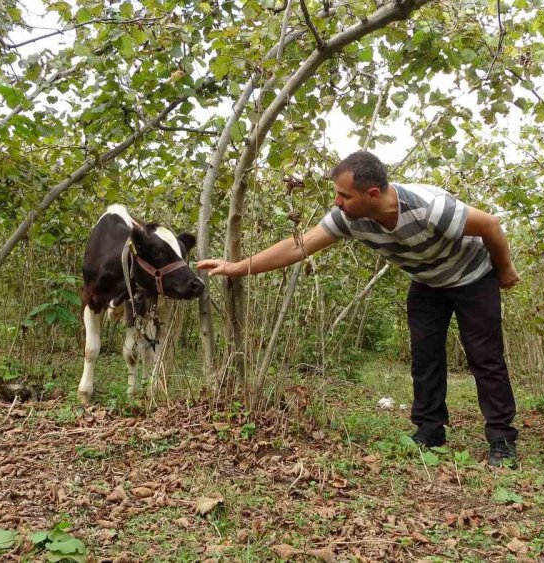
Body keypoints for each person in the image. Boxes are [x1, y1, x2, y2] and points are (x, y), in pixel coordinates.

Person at [198, 151, 521, 468]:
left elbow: (490, 225)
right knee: (425, 356)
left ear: (373, 194)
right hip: (427, 282)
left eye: (344, 195)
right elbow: (299, 245)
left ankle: (501, 439)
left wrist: (504, 270)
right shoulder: (348, 218)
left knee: (485, 357)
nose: (337, 203)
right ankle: (430, 431)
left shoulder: (430, 208)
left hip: (472, 276)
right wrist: (237, 267)